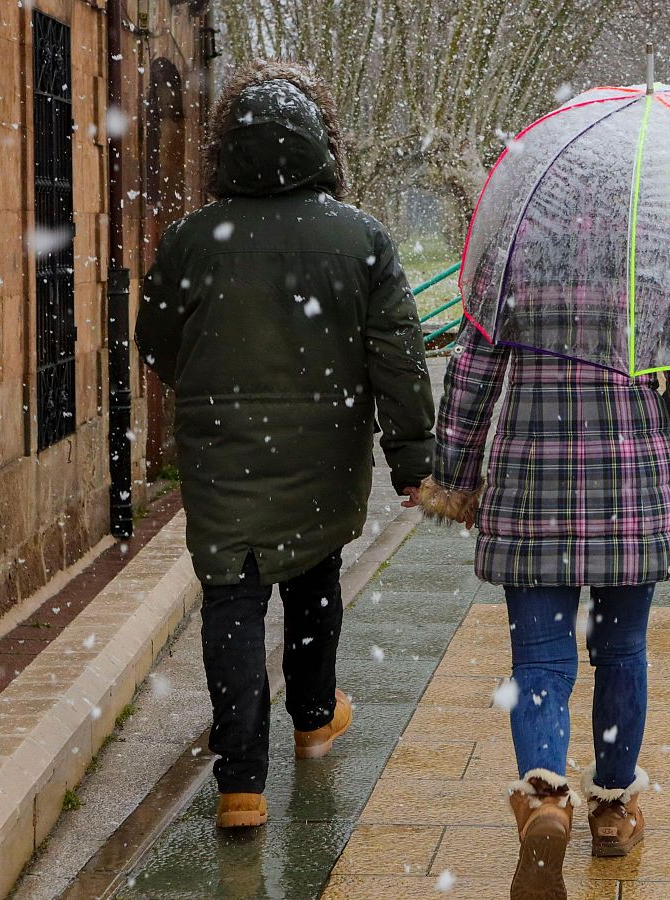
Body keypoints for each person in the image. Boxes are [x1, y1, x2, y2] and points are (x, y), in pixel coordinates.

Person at [136, 61, 434, 830]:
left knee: (231, 599)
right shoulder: (359, 236)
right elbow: (396, 358)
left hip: (222, 449)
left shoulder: (192, 239)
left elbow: (157, 343)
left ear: (226, 148)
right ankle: (310, 720)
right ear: (317, 144)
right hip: (324, 446)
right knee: (312, 580)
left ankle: (241, 785)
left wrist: (213, 388)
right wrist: (413, 460)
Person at [414, 325, 670, 897]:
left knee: (539, 660)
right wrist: (663, 426)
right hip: (633, 483)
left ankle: (545, 803)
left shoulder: (512, 251)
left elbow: (470, 378)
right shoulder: (657, 251)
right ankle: (611, 808)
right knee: (622, 648)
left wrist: (455, 479)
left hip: (532, 479)